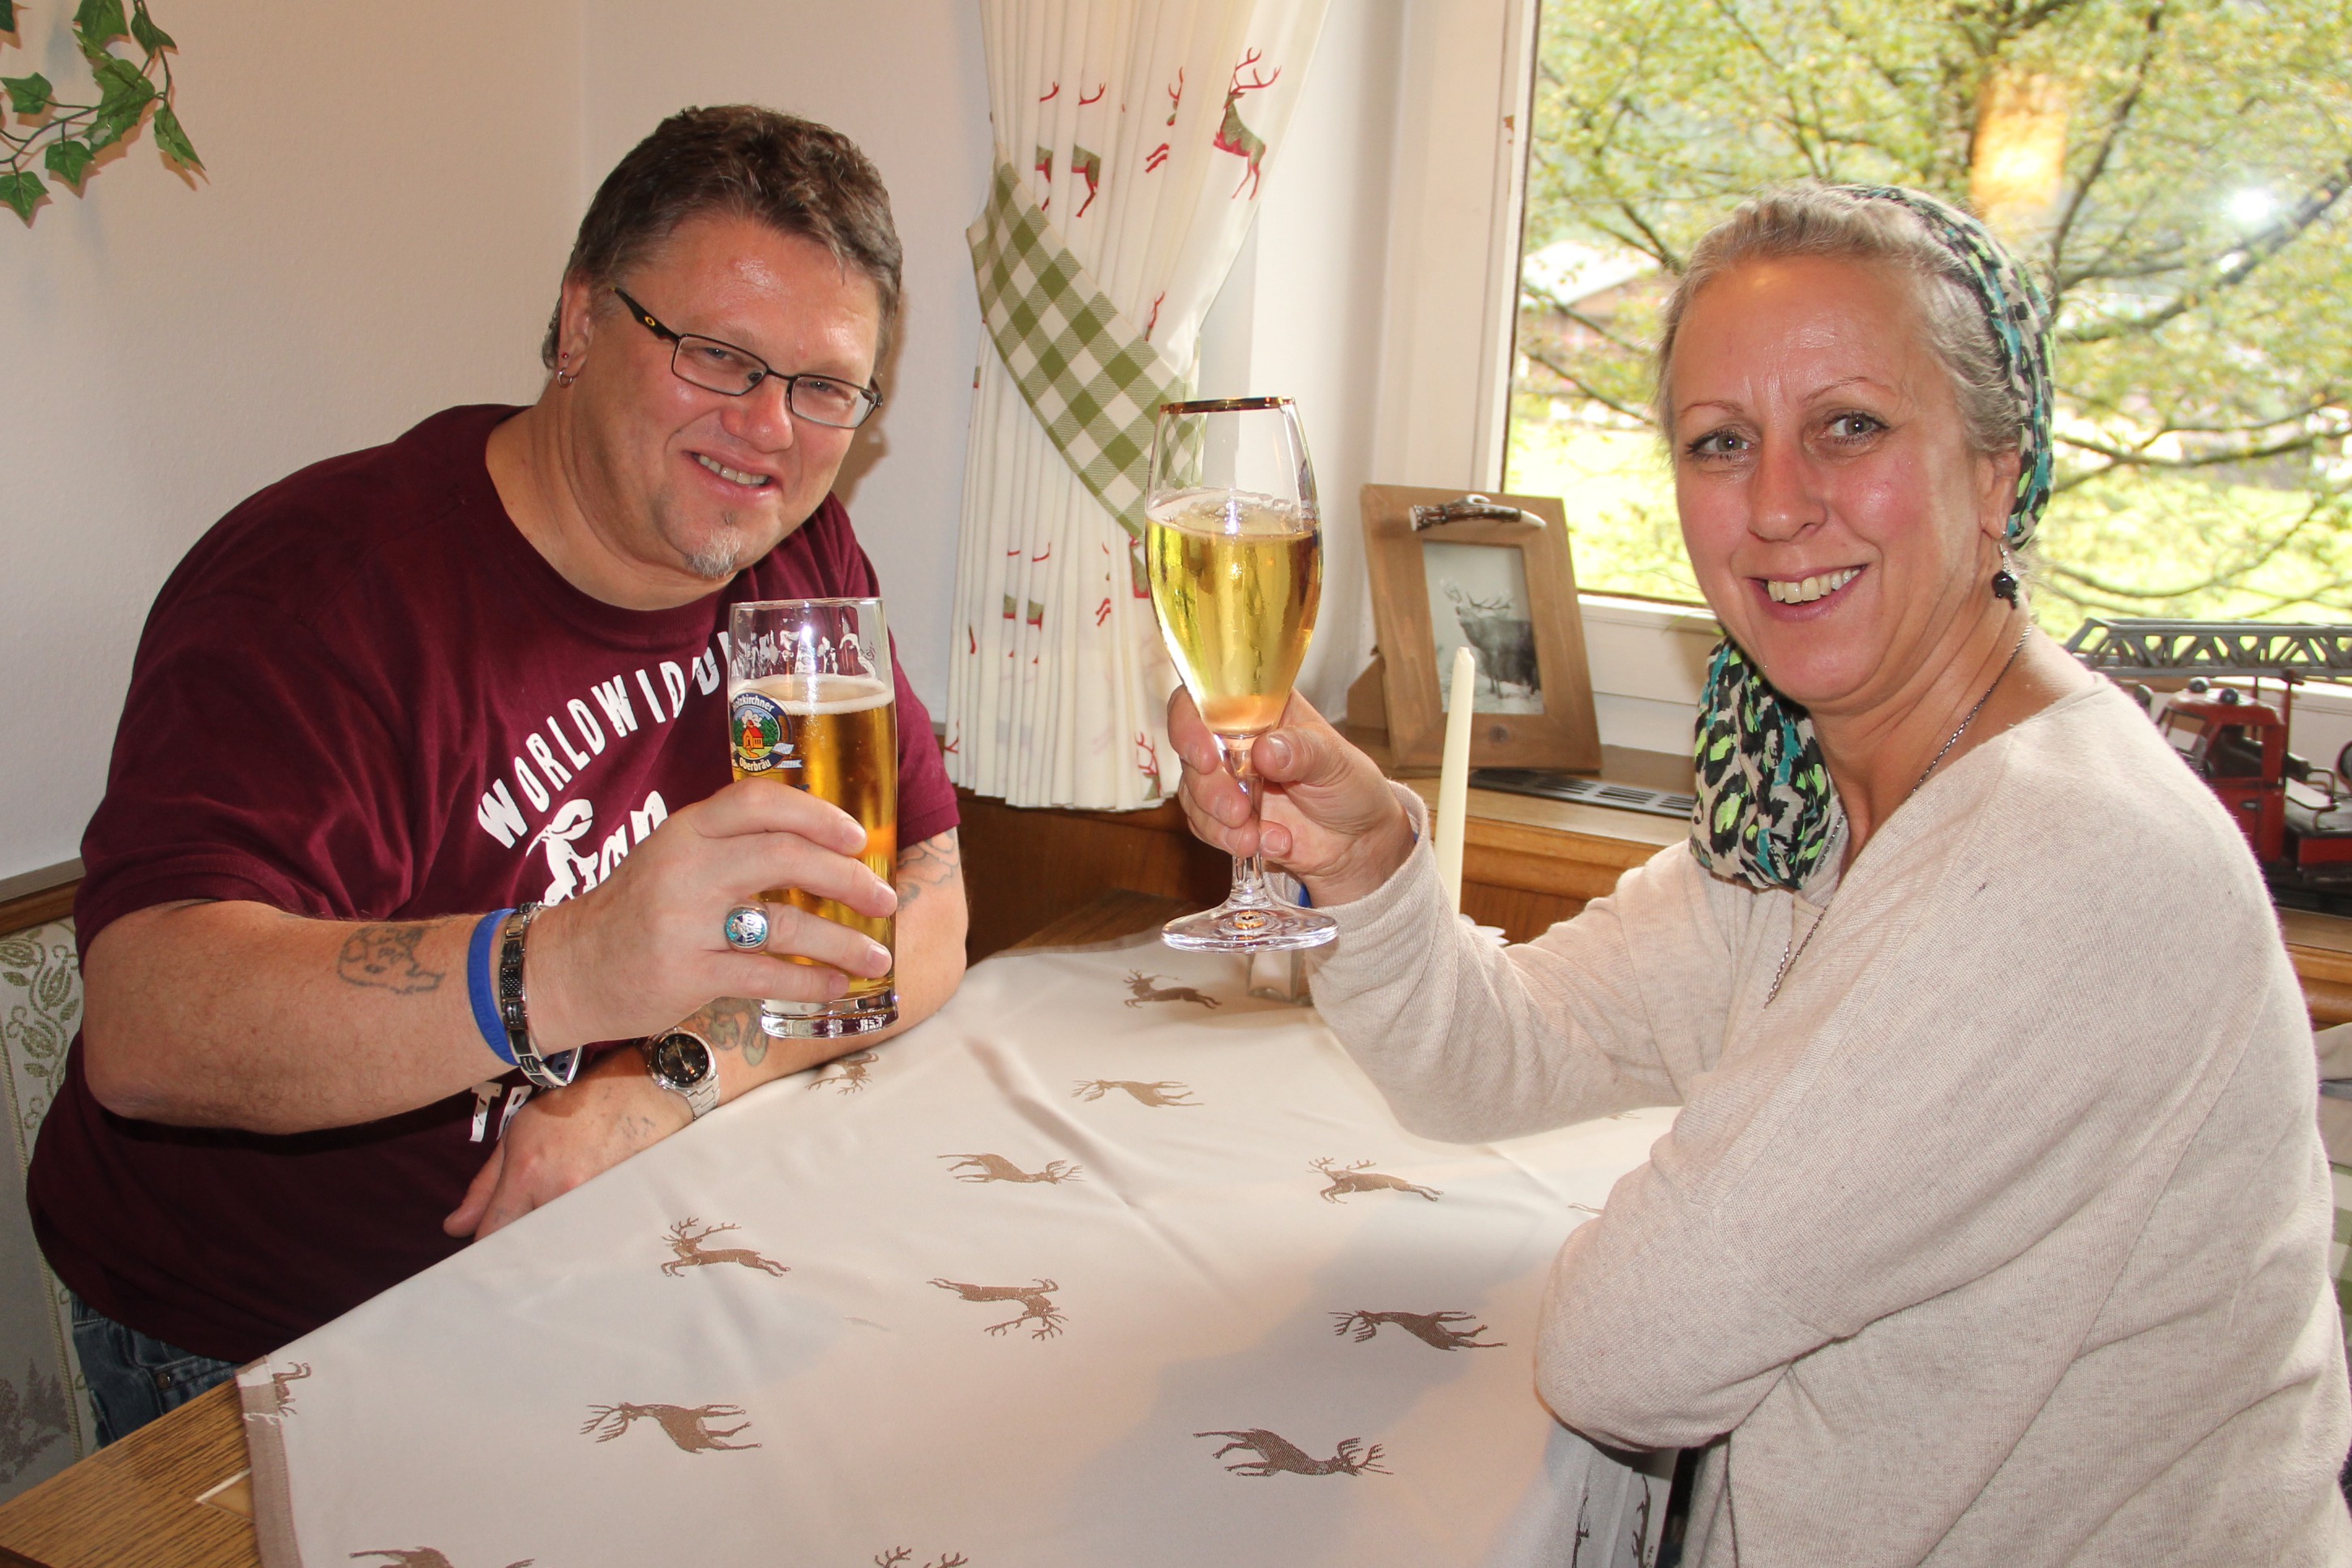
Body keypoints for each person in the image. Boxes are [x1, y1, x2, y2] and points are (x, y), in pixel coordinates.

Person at [1174, 185, 2352, 1562]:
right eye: (1720, 442)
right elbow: (1491, 1057)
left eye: (1848, 425)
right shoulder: (1803, 810)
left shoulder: (2067, 855)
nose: (1779, 504)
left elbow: (1627, 1350)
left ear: (1995, 472)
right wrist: (1372, 857)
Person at [32, 105, 969, 1442]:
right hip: (266, 1338)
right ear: (580, 322)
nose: (769, 427)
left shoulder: (795, 559)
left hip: (600, 1262)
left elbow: (925, 900)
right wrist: (575, 963)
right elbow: (147, 1027)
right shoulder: (320, 588)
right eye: (717, 356)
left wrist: (662, 1080)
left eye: (824, 387)